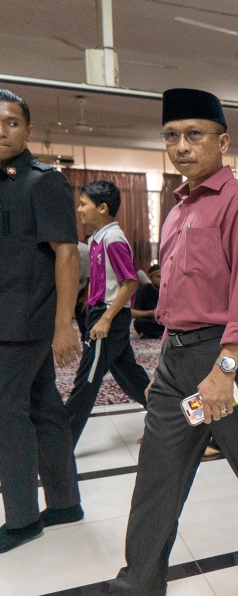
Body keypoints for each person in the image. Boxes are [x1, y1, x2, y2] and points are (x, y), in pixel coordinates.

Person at [77, 88, 238, 596]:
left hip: (228, 356)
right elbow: (176, 293)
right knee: (157, 469)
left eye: (195, 135)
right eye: (172, 135)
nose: (182, 146)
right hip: (178, 357)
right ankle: (138, 582)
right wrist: (165, 360)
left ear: (222, 140)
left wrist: (223, 371)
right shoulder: (178, 208)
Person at [0, 89, 83, 553]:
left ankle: (22, 519)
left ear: (28, 131)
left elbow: (66, 253)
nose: (3, 131)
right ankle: (65, 503)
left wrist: (63, 323)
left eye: (13, 123)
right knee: (43, 409)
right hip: (5, 318)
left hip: (25, 320)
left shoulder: (42, 181)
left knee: (5, 416)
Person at [64, 180, 150, 445]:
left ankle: (59, 446)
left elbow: (131, 282)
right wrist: (88, 297)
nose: (79, 209)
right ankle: (175, 422)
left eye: (83, 204)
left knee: (86, 382)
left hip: (108, 318)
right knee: (132, 378)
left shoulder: (113, 238)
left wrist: (105, 317)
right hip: (100, 313)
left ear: (102, 208)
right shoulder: (96, 239)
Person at [132, 264, 165, 338]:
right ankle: (161, 334)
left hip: (166, 321)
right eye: (158, 276)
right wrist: (151, 312)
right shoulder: (143, 291)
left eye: (163, 276)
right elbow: (132, 312)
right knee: (139, 323)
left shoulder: (170, 290)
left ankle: (157, 334)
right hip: (151, 320)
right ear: (151, 278)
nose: (162, 279)